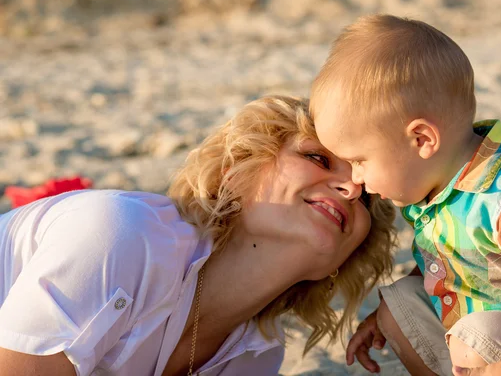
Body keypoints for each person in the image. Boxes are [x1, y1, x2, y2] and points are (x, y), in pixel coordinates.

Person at [0, 96, 398, 376]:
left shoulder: (256, 353)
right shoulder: (120, 235)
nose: (351, 189)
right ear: (236, 172)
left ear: (343, 261)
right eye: (317, 158)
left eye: (367, 197)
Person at [310, 14, 501, 376]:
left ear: (422, 140)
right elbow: (450, 262)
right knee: (398, 305)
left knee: (474, 335)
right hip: (488, 337)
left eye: (359, 160)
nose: (355, 179)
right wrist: (383, 321)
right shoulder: (437, 192)